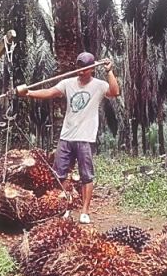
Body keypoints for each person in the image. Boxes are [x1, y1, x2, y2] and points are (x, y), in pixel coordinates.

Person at [17, 52, 119, 224]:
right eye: (79, 66)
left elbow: (115, 92)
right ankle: (65, 207)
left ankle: (85, 212)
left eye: (85, 67)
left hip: (85, 137)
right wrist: (28, 93)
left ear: (92, 68)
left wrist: (109, 72)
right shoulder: (68, 83)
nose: (81, 70)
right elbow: (49, 92)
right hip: (66, 136)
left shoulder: (99, 85)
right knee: (60, 174)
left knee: (86, 175)